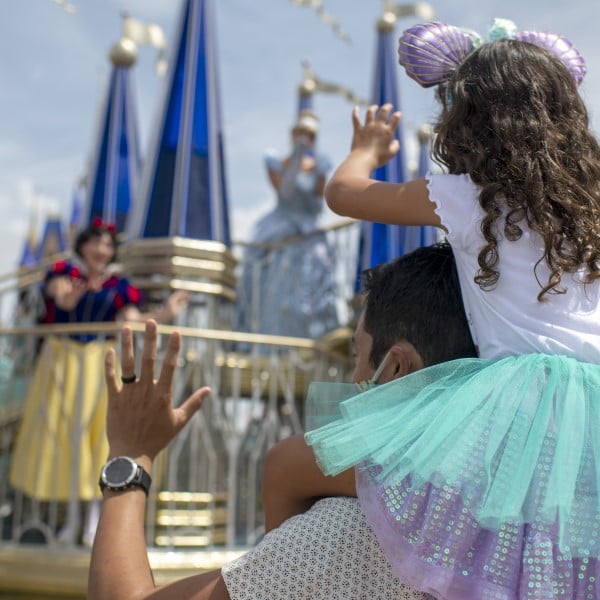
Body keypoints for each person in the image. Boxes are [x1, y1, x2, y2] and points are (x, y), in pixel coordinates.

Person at [278, 17, 600, 600]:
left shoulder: (469, 194)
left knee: (298, 471)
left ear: (470, 120)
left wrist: (365, 150)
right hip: (592, 404)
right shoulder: (592, 205)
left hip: (512, 405)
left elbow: (343, 194)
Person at [88, 242, 476, 599]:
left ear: (394, 367)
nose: (352, 375)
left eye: (356, 352)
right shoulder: (513, 535)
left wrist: (130, 456)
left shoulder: (345, 536)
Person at [9, 217, 190, 546]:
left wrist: (166, 312)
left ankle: (93, 519)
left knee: (99, 439)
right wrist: (64, 300)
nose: (101, 250)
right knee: (64, 437)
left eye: (107, 244)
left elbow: (134, 320)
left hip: (98, 363)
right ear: (83, 245)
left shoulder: (119, 286)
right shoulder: (66, 272)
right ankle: (72, 521)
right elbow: (57, 293)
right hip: (62, 362)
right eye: (96, 242)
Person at [236, 109, 339, 339]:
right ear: (292, 135)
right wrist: (296, 160)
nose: (304, 138)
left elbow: (317, 200)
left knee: (312, 289)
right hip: (279, 232)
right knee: (273, 293)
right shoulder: (275, 162)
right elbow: (285, 192)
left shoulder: (320, 165)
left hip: (310, 236)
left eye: (309, 135)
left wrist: (309, 167)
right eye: (300, 133)